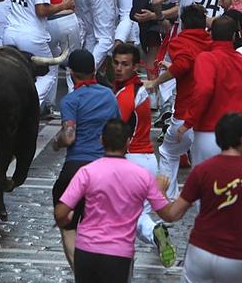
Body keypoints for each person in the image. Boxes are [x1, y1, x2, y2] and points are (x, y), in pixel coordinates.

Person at [157, 113, 242, 282]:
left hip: (200, 252)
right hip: (237, 257)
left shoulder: (202, 171)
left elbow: (171, 214)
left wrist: (161, 191)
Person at [55, 120, 173, 283]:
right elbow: (168, 214)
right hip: (118, 254)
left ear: (101, 140)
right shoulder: (142, 176)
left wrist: (66, 218)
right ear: (128, 142)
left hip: (86, 252)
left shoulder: (87, 172)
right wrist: (162, 192)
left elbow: (60, 212)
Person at [51, 49, 121, 269]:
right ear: (94, 70)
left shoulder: (71, 100)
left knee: (67, 225)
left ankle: (81, 274)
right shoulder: (109, 95)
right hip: (105, 168)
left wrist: (56, 142)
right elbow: (119, 128)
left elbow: (69, 137)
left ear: (71, 73)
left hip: (76, 169)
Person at [111, 43, 175, 267]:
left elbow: (115, 130)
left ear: (134, 66)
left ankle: (151, 234)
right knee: (139, 212)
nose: (120, 68)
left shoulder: (126, 95)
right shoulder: (136, 89)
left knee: (127, 214)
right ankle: (156, 234)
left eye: (125, 64)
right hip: (147, 158)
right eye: (117, 63)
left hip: (131, 159)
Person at [145, 5, 211, 199]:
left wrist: (156, 81)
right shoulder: (211, 41)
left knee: (167, 152)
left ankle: (168, 198)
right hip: (209, 115)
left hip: (186, 113)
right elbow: (194, 65)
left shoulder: (180, 42)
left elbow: (184, 64)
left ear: (183, 23)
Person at [4, 0, 75, 107]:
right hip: (31, 36)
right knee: (48, 74)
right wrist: (63, 5)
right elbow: (41, 11)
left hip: (10, 33)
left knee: (13, 76)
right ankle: (28, 108)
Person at [179, 16, 242, 165]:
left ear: (211, 34)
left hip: (209, 133)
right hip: (238, 136)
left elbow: (203, 90)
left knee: (205, 184)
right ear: (234, 36)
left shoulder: (206, 59)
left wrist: (187, 123)